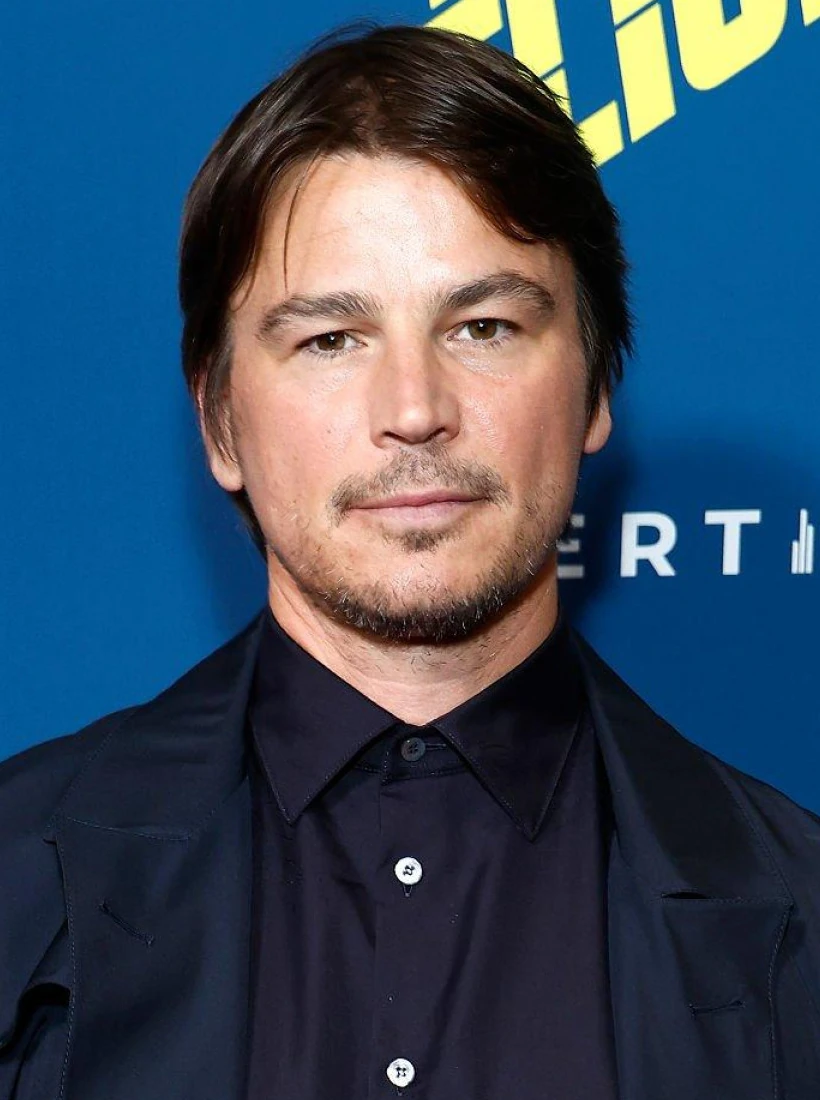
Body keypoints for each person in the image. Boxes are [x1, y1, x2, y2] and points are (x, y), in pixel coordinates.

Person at [1, 23, 818, 1100]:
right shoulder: (17, 877)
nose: (415, 409)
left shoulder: (799, 914)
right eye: (330, 340)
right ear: (220, 424)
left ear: (594, 386)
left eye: (482, 326)